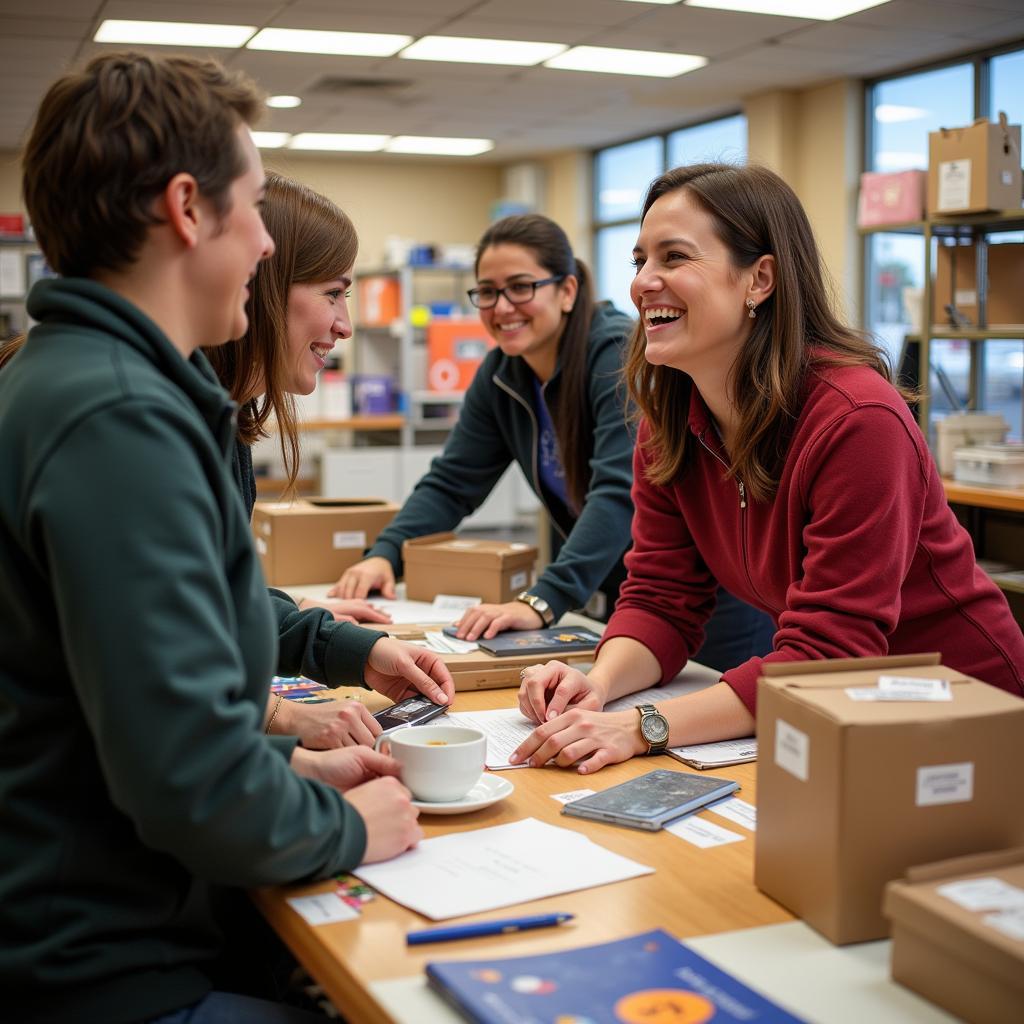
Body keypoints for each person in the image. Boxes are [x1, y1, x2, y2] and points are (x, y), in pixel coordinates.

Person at [0, 52, 421, 1024]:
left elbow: (127, 714)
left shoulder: (84, 383)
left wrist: (290, 768)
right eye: (258, 204)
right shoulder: (116, 418)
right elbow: (187, 781)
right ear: (189, 208)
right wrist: (346, 825)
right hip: (100, 970)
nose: (270, 243)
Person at [511, 162, 1024, 776]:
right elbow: (662, 599)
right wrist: (597, 686)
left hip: (965, 712)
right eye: (639, 260)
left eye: (674, 257)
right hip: (842, 714)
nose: (643, 283)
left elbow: (829, 651)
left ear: (760, 279)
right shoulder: (668, 425)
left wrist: (642, 726)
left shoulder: (858, 419)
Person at [333, 213, 775, 666]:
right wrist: (385, 555)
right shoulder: (504, 374)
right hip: (624, 598)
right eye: (487, 292)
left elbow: (616, 490)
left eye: (521, 287)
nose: (502, 307)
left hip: (702, 602)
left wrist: (544, 599)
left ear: (566, 291)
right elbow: (453, 482)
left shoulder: (618, 353)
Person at [204, 172, 454, 750]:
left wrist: (357, 652)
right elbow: (148, 639)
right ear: (260, 282)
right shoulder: (147, 414)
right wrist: (278, 723)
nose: (345, 324)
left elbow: (218, 599)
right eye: (333, 294)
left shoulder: (224, 417)